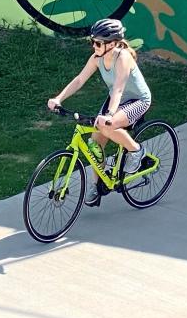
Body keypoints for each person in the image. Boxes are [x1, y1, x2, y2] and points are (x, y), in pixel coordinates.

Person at [46, 18, 152, 207]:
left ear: (112, 44)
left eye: (97, 43)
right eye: (92, 41)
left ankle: (137, 151)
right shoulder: (97, 58)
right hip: (116, 100)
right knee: (94, 143)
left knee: (108, 127)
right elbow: (79, 80)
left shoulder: (123, 57)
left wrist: (109, 116)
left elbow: (119, 88)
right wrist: (59, 98)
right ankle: (98, 184)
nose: (93, 46)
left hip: (138, 100)